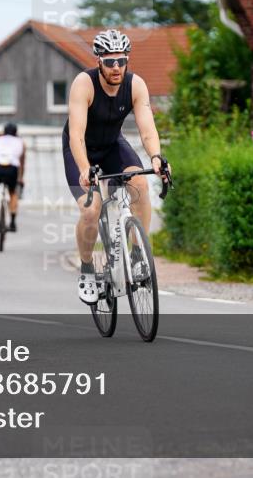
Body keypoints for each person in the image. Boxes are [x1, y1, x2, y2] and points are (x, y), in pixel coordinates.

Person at [62, 29, 170, 304]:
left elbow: (147, 130)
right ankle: (87, 269)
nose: (116, 67)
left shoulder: (136, 85)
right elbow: (76, 134)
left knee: (140, 183)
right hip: (81, 149)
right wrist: (85, 168)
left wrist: (156, 157)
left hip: (112, 146)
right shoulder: (83, 84)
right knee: (90, 210)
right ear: (99, 60)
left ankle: (137, 256)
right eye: (109, 61)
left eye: (121, 61)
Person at [0, 122, 25, 234]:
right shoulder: (20, 142)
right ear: (16, 133)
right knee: (13, 193)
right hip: (12, 168)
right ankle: (13, 222)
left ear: (3, 132)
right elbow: (22, 163)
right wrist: (21, 178)